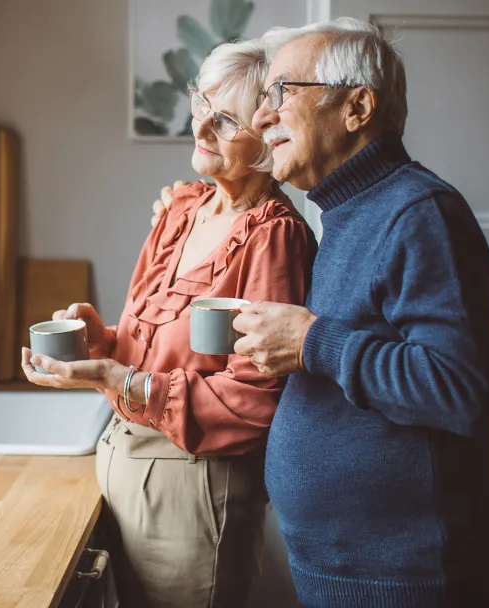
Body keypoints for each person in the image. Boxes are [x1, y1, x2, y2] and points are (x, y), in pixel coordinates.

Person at [20, 39, 316, 608]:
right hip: (121, 467)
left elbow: (257, 402)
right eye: (200, 104)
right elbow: (153, 348)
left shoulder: (274, 237)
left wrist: (119, 378)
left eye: (225, 120)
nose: (202, 128)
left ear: (268, 132)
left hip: (193, 488)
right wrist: (101, 341)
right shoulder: (182, 210)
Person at [229, 18, 489, 607]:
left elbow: (463, 392)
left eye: (282, 92)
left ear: (358, 106)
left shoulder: (419, 212)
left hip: (410, 581)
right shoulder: (347, 211)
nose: (262, 116)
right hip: (353, 572)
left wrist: (315, 344)